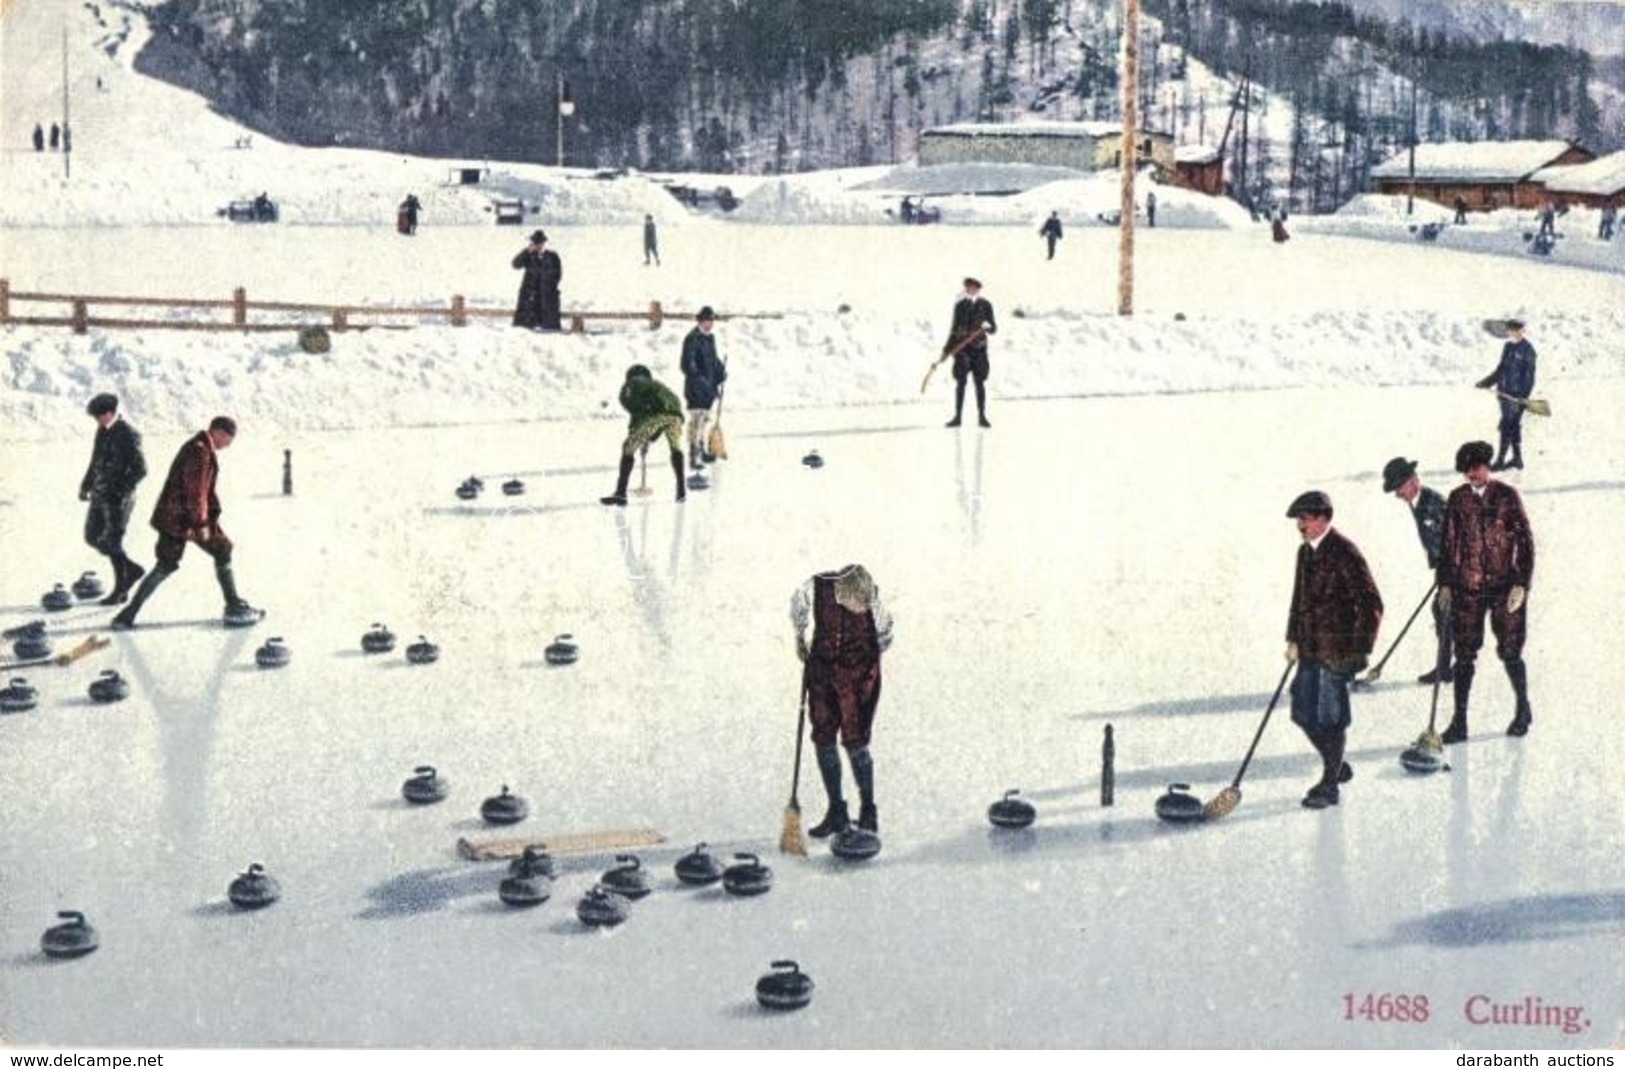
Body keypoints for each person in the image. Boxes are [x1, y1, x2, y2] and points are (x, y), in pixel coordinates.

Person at [1283, 491, 1384, 809]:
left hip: (1338, 651)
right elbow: (1298, 600)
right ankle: (1335, 763)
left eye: (1307, 518)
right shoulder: (1305, 553)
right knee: (1301, 711)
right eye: (1298, 519)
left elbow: (1372, 604)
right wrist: (1293, 639)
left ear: (1324, 519)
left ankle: (1329, 785)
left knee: (1330, 718)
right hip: (1310, 647)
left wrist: (1358, 650)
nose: (1300, 525)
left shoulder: (1344, 552)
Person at [112, 417, 257, 630]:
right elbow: (195, 493)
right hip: (179, 521)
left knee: (222, 549)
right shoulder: (199, 451)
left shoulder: (201, 448)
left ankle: (233, 603)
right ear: (218, 432)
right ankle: (127, 615)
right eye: (228, 439)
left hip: (182, 518)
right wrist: (200, 525)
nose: (228, 445)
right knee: (167, 564)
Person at [1436, 440, 1536, 742]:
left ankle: (1522, 709)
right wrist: (1445, 584)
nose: (1472, 475)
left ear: (1487, 466)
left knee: (1510, 651)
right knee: (1464, 655)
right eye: (1467, 471)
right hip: (1467, 589)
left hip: (1505, 587)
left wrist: (1522, 584)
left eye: (1476, 468)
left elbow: (1526, 542)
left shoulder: (1507, 496)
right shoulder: (1457, 500)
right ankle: (1459, 723)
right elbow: (1447, 546)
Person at [791, 564, 894, 836]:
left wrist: (864, 662)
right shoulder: (816, 587)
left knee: (855, 739)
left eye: (865, 603)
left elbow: (885, 635)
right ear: (841, 593)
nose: (862, 608)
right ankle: (837, 812)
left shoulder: (872, 599)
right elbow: (798, 608)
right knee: (823, 736)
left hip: (858, 677)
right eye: (857, 604)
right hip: (823, 673)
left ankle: (868, 812)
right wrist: (800, 636)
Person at [1381, 456, 1452, 684]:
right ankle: (1446, 667)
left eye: (1398, 488)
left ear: (1413, 481)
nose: (1398, 495)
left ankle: (1449, 668)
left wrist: (1448, 580)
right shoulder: (1418, 503)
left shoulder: (1433, 503)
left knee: (1446, 612)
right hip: (1446, 567)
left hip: (1458, 568)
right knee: (1442, 613)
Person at [79, 393, 148, 606]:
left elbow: (141, 469)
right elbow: (95, 459)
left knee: (112, 542)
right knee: (92, 537)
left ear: (110, 413)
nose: (97, 420)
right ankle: (132, 570)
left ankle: (120, 590)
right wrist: (86, 484)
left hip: (119, 499)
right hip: (100, 494)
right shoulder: (102, 430)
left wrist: (121, 491)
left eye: (99, 416)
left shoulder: (128, 434)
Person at [599, 365, 686, 506]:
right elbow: (670, 407)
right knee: (675, 448)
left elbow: (635, 407)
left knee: (627, 448)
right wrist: (651, 433)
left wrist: (636, 433)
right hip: (676, 416)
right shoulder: (658, 386)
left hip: (656, 414)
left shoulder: (630, 385)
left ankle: (620, 494)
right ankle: (681, 490)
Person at [1475, 317, 1537, 471]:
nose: (1513, 333)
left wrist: (1522, 397)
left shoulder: (1528, 350)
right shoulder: (1508, 347)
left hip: (1517, 396)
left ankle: (1501, 460)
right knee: (1512, 427)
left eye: (1516, 330)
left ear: (1522, 331)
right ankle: (1517, 459)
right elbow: (1500, 370)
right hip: (1504, 394)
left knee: (1506, 427)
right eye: (1511, 330)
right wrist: (1487, 382)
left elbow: (1529, 378)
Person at [942, 277, 997, 429]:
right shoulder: (960, 306)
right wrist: (947, 350)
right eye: (968, 287)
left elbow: (994, 329)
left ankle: (982, 417)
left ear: (978, 289)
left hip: (979, 350)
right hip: (963, 350)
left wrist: (988, 326)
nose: (970, 289)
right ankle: (957, 417)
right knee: (961, 382)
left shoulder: (986, 305)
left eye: (973, 287)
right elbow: (954, 329)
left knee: (979, 383)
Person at [678, 306, 727, 471]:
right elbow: (687, 364)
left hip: (709, 389)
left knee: (704, 421)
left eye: (712, 321)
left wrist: (721, 371)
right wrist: (699, 380)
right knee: (696, 423)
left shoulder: (710, 338)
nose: (710, 324)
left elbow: (713, 359)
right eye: (707, 321)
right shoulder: (692, 338)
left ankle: (702, 451)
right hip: (696, 389)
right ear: (700, 320)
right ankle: (693, 456)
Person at [511, 230, 563, 331]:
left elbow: (557, 274)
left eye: (538, 243)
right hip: (530, 295)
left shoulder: (552, 256)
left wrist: (546, 283)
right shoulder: (529, 255)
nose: (536, 246)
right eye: (534, 243)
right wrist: (526, 252)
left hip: (546, 294)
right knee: (525, 327)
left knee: (549, 326)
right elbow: (515, 264)